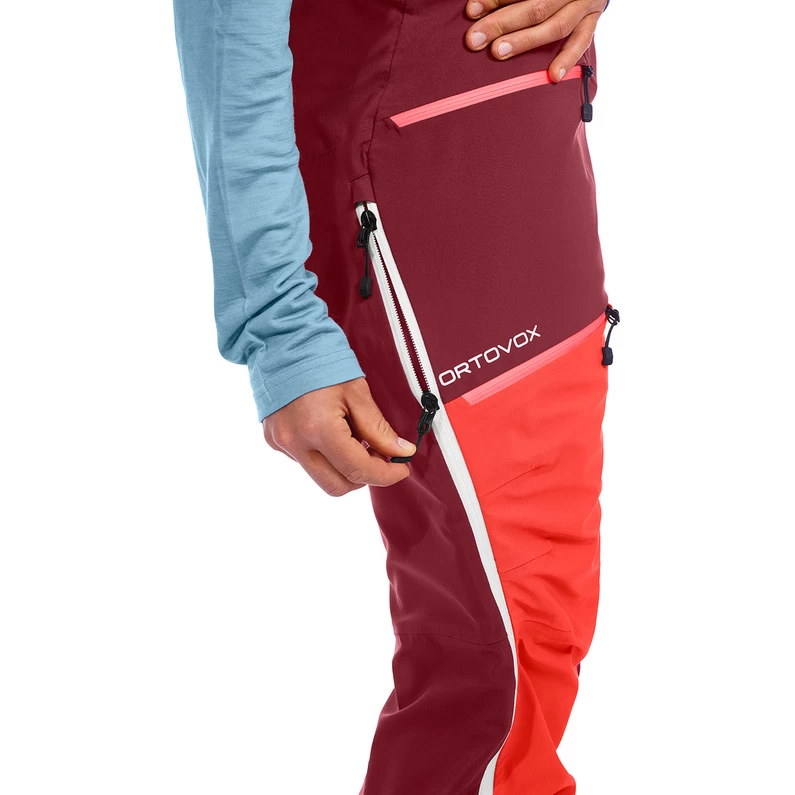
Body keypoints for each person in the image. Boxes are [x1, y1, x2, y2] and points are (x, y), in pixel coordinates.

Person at [173, 1, 615, 792]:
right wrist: (276, 319)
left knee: (545, 623)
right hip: (413, 172)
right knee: (501, 656)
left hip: (534, 139)